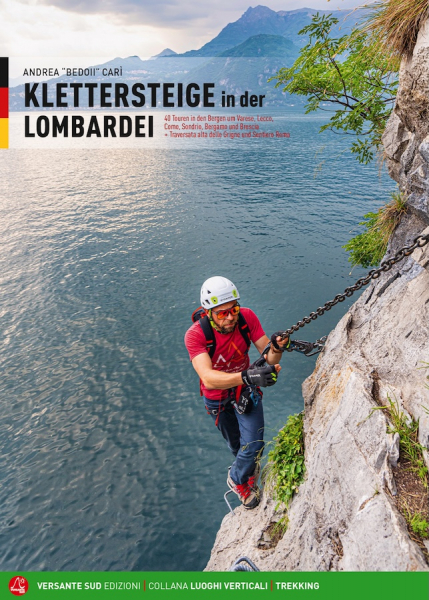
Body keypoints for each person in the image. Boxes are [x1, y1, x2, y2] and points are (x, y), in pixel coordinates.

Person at [184, 276, 289, 509]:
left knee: (253, 445)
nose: (230, 316)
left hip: (245, 391)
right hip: (218, 399)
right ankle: (247, 473)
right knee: (238, 447)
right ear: (207, 312)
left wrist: (276, 348)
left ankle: (237, 479)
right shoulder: (196, 335)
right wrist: (246, 376)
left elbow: (267, 356)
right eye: (222, 313)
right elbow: (208, 378)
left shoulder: (247, 318)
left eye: (233, 309)